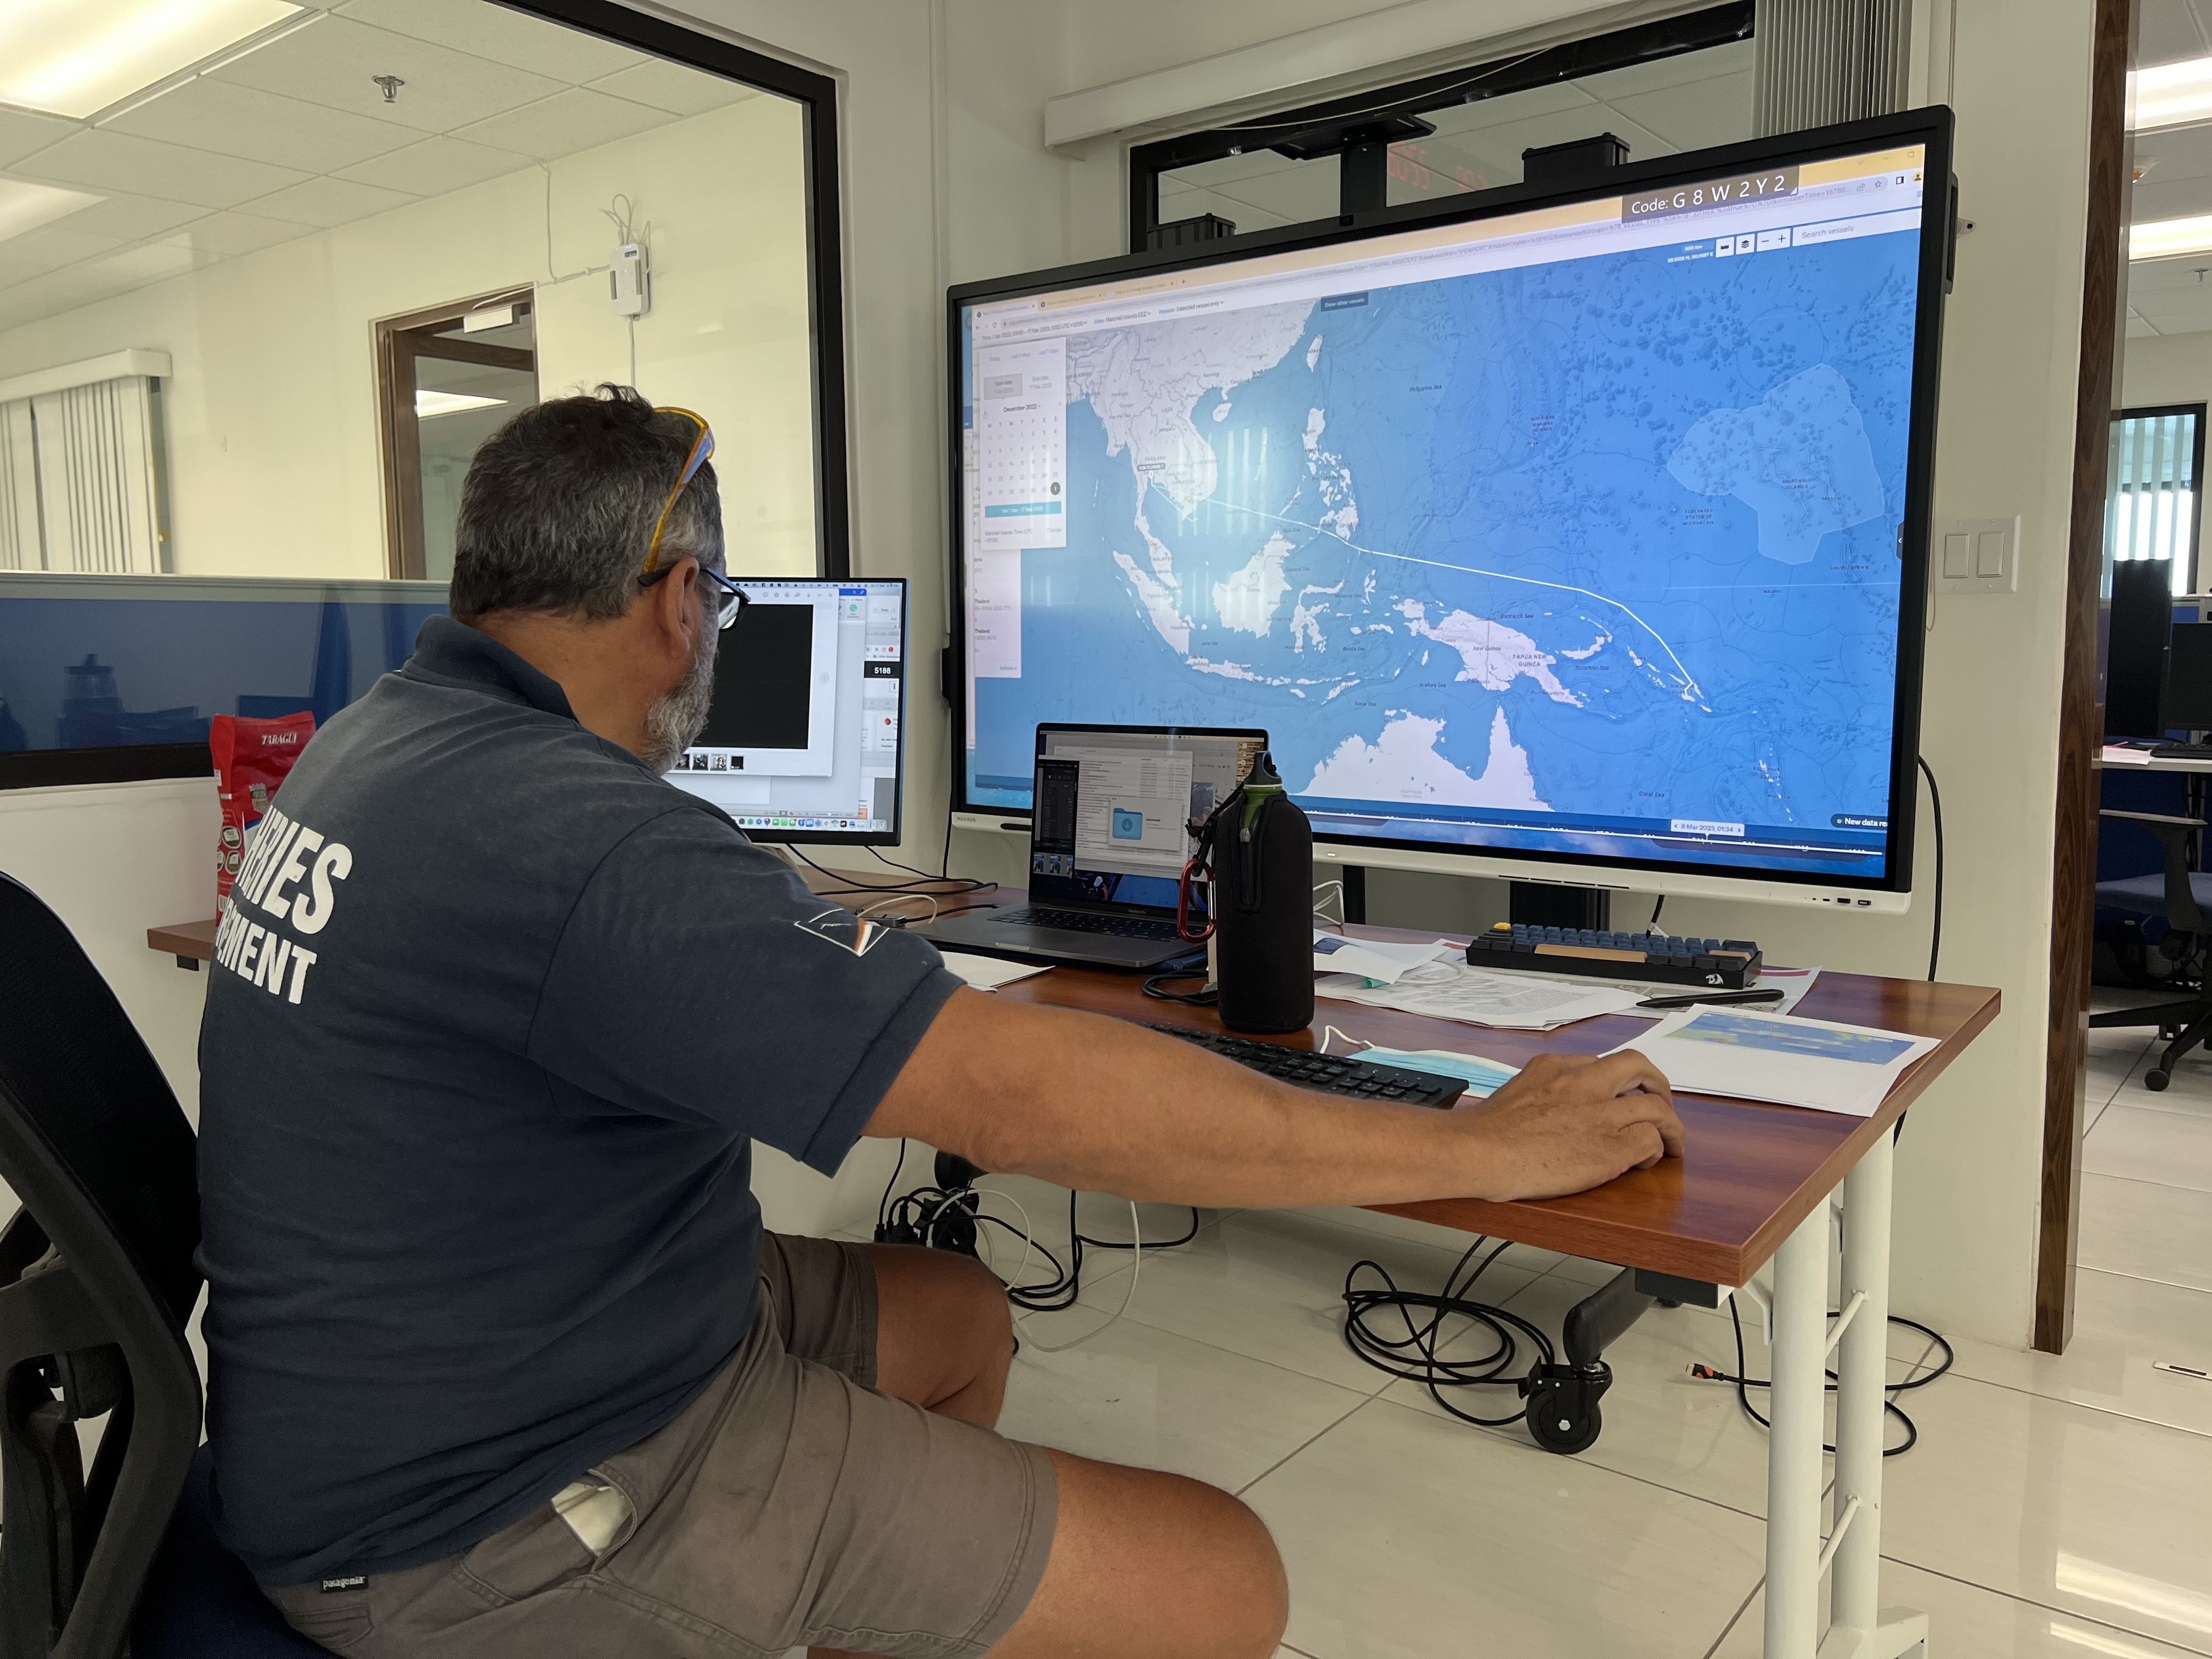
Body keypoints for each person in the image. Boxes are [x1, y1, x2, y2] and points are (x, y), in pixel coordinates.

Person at [196, 386, 1682, 1659]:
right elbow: (1014, 1099)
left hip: (466, 1362)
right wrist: (1474, 1145)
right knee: (1225, 1579)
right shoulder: (582, 839)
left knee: (964, 1312)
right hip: (481, 1512)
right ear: (678, 600)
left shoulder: (381, 743)